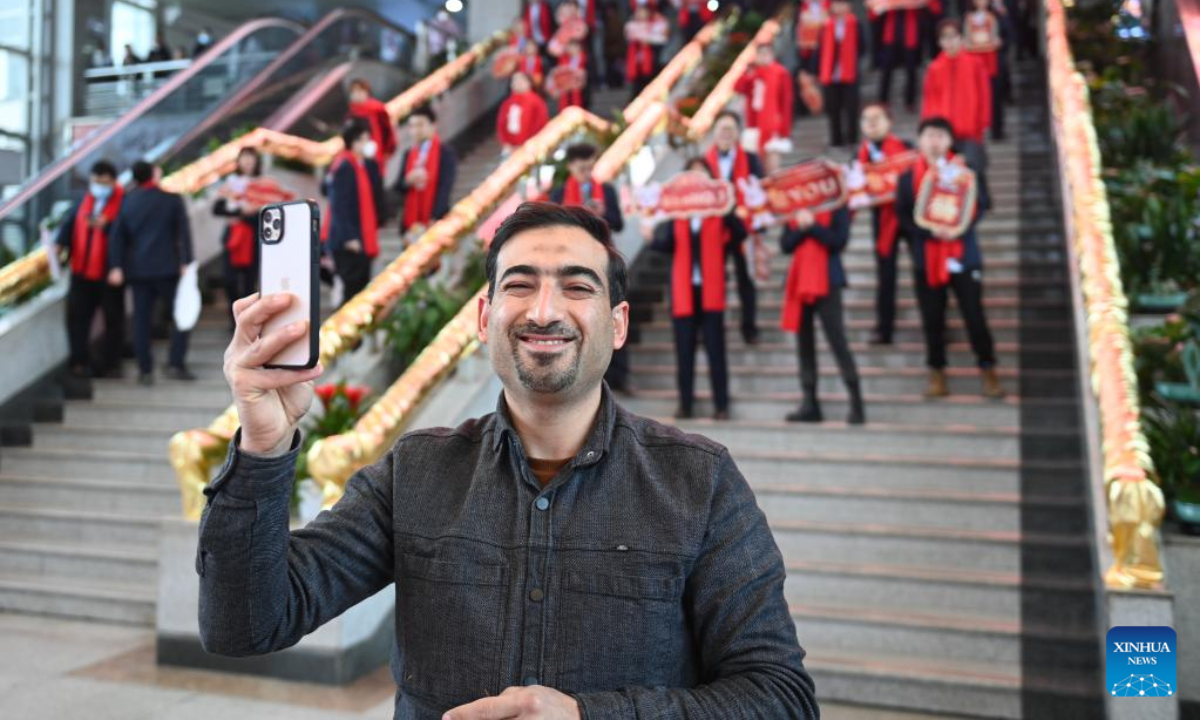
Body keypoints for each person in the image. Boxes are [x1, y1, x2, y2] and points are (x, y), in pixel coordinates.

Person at [197, 200, 819, 718]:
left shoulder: (699, 481)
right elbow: (246, 624)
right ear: (484, 317)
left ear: (619, 323)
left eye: (578, 287)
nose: (544, 311)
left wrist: (590, 715)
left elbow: (780, 697)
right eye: (519, 284)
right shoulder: (415, 470)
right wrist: (264, 445)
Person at [895, 117, 1005, 399]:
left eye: (940, 136)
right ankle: (936, 373)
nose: (934, 141)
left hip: (963, 256)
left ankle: (988, 369)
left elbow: (980, 207)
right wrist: (930, 230)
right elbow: (904, 219)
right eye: (929, 136)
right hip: (926, 259)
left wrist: (958, 227)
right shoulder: (908, 177)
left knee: (974, 315)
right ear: (920, 141)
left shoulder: (965, 173)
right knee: (932, 319)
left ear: (949, 141)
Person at [647, 160, 748, 420]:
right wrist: (651, 237)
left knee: (716, 349)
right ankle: (686, 403)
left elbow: (740, 233)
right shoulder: (676, 212)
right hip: (683, 291)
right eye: (691, 175)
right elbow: (665, 243)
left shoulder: (720, 210)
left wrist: (726, 208)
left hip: (711, 289)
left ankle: (721, 405)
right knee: (684, 350)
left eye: (701, 175)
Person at [106, 160, 194, 385]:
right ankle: (175, 363)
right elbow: (183, 233)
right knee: (180, 316)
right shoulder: (171, 200)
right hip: (168, 269)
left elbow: (117, 237)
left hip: (138, 271)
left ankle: (145, 370)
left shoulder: (126, 201)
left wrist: (116, 266)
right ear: (154, 175)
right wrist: (186, 261)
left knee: (141, 322)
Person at [779, 195, 864, 424]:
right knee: (804, 344)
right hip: (799, 279)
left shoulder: (837, 204)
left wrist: (812, 226)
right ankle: (810, 402)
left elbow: (839, 241)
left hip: (828, 279)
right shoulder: (796, 207)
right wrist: (802, 226)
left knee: (837, 340)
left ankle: (856, 401)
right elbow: (785, 244)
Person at [55, 160, 126, 379]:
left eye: (104, 183)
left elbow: (128, 235)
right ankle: (79, 361)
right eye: (95, 182)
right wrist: (59, 247)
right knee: (77, 319)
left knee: (113, 320)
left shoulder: (124, 204)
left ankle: (111, 364)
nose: (98, 187)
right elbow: (67, 227)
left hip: (109, 273)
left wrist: (106, 227)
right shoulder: (83, 202)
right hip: (81, 272)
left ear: (114, 182)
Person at [856, 103, 913, 345]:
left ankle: (940, 323)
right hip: (882, 218)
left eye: (877, 118)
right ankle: (884, 328)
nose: (872, 122)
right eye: (866, 118)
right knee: (885, 275)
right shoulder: (859, 157)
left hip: (911, 216)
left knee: (924, 269)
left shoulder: (907, 148)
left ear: (889, 123)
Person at [705, 110, 764, 345]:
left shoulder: (751, 159)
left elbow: (761, 192)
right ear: (714, 133)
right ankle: (710, 327)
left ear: (738, 133)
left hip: (742, 229)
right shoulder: (704, 161)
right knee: (712, 278)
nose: (726, 134)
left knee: (746, 280)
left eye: (731, 129)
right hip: (713, 231)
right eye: (722, 129)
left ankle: (749, 327)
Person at [324, 121, 383, 304]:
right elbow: (339, 206)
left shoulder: (362, 165)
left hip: (360, 238)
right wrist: (349, 237)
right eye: (365, 140)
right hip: (348, 241)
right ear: (354, 143)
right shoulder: (344, 167)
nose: (369, 144)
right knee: (351, 293)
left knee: (360, 290)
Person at [921, 19, 991, 169]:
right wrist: (929, 127)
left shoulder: (975, 63)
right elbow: (929, 100)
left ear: (961, 38)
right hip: (943, 135)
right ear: (939, 42)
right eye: (945, 37)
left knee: (975, 176)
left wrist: (983, 122)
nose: (949, 41)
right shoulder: (934, 68)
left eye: (953, 36)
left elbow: (984, 95)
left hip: (970, 131)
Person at [213, 147, 264, 326]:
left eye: (251, 159)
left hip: (253, 239)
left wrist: (243, 213)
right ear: (239, 161)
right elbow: (217, 208)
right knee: (230, 280)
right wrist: (237, 210)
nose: (248, 162)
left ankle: (248, 321)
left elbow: (265, 214)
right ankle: (234, 318)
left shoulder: (263, 184)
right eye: (245, 159)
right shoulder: (231, 183)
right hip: (234, 238)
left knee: (250, 283)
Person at [395, 105, 457, 238]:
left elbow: (445, 187)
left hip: (436, 221)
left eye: (420, 125)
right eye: (412, 126)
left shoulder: (445, 152)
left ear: (433, 125)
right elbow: (399, 186)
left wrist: (435, 217)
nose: (415, 130)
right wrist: (407, 181)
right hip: (411, 225)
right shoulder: (408, 154)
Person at [817, 0, 863, 148]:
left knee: (851, 108)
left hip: (849, 72)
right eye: (836, 4)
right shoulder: (826, 25)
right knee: (833, 109)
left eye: (842, 4)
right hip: (830, 74)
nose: (839, 7)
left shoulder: (855, 24)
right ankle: (836, 140)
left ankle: (852, 139)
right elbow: (819, 49)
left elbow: (862, 46)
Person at [735, 43, 794, 155]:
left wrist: (784, 128)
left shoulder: (780, 73)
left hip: (772, 122)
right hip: (754, 121)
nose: (763, 57)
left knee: (771, 155)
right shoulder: (753, 72)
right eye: (760, 54)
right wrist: (748, 74)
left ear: (772, 55)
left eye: (766, 54)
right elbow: (738, 87)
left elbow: (786, 102)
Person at [549, 143, 623, 233]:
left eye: (590, 168)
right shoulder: (559, 194)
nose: (587, 174)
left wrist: (603, 213)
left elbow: (618, 225)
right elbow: (552, 227)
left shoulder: (607, 190)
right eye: (582, 169)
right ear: (570, 167)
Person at [964, 0, 1007, 141]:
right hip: (974, 63)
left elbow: (997, 39)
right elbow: (967, 41)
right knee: (974, 98)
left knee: (994, 97)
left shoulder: (992, 16)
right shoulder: (969, 18)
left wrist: (991, 44)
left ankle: (997, 130)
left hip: (990, 62)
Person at [871, 3, 923, 111]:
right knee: (886, 69)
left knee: (911, 70)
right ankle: (883, 100)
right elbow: (874, 13)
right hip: (891, 34)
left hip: (909, 34)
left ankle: (910, 101)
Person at [346, 78, 399, 172]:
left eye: (360, 90)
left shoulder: (377, 109)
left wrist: (387, 150)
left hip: (377, 153)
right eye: (354, 91)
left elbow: (387, 131)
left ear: (366, 92)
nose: (357, 94)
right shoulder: (351, 116)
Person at [497, 72, 550, 152]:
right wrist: (506, 143)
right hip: (511, 146)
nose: (518, 83)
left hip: (530, 145)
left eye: (521, 80)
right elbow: (501, 124)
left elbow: (541, 122)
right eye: (515, 81)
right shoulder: (507, 103)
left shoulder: (536, 101)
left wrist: (531, 141)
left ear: (529, 83)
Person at [624, 4, 666, 99]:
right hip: (636, 63)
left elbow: (662, 37)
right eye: (638, 12)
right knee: (637, 89)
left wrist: (649, 38)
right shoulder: (631, 25)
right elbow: (630, 35)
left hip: (650, 62)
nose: (640, 14)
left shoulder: (654, 25)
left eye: (642, 12)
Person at [555, 40, 590, 111]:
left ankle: (577, 110)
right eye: (569, 47)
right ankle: (563, 111)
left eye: (574, 47)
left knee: (575, 91)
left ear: (579, 48)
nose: (571, 49)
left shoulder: (584, 57)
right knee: (563, 91)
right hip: (567, 82)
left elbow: (585, 72)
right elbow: (561, 70)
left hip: (579, 82)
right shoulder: (564, 58)